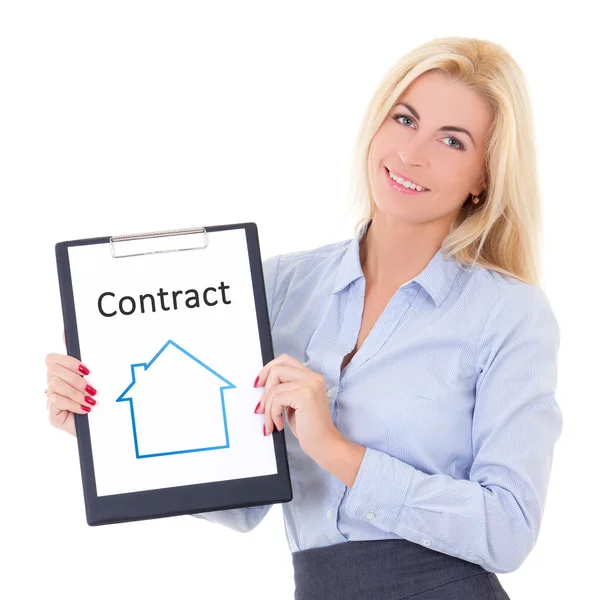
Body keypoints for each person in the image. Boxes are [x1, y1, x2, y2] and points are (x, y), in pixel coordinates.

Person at [45, 36, 562, 600]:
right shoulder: (280, 285)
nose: (413, 153)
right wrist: (105, 429)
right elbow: (242, 502)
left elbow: (509, 529)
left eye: (452, 140)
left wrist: (336, 449)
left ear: (483, 178)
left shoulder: (507, 314)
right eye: (405, 118)